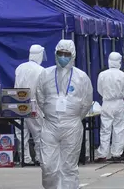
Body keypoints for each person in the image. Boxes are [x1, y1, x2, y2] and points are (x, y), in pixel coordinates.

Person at [37, 39, 93, 189]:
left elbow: (87, 102)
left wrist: (74, 117)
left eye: (66, 54)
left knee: (68, 167)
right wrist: (50, 113)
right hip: (50, 124)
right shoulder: (45, 74)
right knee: (48, 166)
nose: (63, 57)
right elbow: (40, 98)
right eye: (60, 53)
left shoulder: (81, 77)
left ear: (72, 55)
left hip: (72, 125)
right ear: (55, 53)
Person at [15, 44, 46, 166]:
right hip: (34, 104)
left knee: (22, 133)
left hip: (18, 103)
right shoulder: (41, 71)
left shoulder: (20, 68)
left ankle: (25, 158)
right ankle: (39, 157)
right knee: (38, 132)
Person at [96, 52, 124, 163]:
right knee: (119, 129)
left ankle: (102, 154)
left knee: (105, 129)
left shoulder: (102, 75)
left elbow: (99, 89)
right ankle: (117, 154)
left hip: (106, 103)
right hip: (119, 102)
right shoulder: (123, 75)